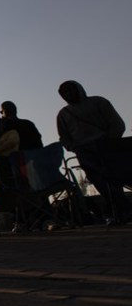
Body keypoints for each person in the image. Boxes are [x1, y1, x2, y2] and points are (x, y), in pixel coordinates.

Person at [56, 80, 129, 224]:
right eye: (64, 93)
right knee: (99, 180)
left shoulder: (98, 102)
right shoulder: (63, 115)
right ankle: (121, 209)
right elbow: (64, 137)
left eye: (70, 90)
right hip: (84, 151)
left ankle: (120, 210)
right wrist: (73, 147)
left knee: (115, 178)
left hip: (107, 145)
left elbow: (117, 123)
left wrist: (110, 140)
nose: (68, 94)